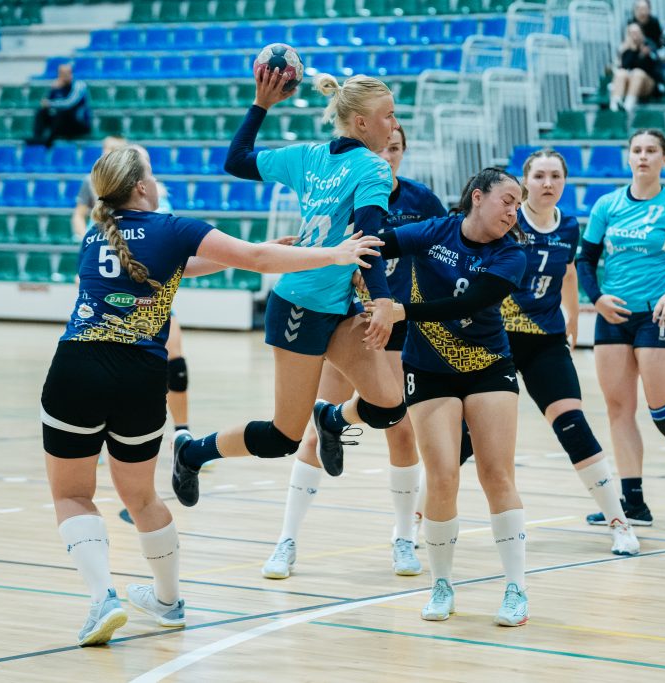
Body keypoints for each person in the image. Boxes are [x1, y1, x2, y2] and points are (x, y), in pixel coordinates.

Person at [41, 144, 383, 646]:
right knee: (142, 497)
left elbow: (177, 266)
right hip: (141, 375)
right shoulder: (174, 227)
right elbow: (256, 259)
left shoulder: (96, 233)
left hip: (79, 367)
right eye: (153, 174)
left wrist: (250, 253)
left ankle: (102, 599)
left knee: (72, 495)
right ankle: (169, 601)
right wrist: (335, 253)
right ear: (142, 187)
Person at [171, 69, 407, 507]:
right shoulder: (368, 167)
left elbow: (237, 159)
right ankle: (192, 453)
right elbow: (368, 244)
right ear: (361, 122)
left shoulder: (308, 156)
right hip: (300, 305)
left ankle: (332, 418)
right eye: (388, 115)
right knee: (283, 436)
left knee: (390, 407)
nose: (394, 124)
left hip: (338, 303)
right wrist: (382, 302)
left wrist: (262, 105)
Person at [260, 126, 448, 581]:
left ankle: (403, 536)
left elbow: (444, 252)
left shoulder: (421, 200)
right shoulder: (347, 185)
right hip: (347, 320)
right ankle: (286, 540)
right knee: (313, 429)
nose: (388, 155)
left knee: (399, 429)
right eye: (383, 147)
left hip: (396, 327)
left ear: (403, 152)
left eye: (396, 149)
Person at [366, 168, 530, 626]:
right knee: (441, 477)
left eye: (518, 205)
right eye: (507, 200)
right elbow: (374, 245)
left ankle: (516, 588)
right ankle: (441, 585)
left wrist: (401, 310)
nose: (514, 212)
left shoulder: (511, 254)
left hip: (488, 366)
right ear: (477, 197)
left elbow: (468, 303)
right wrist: (373, 289)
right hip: (428, 369)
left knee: (497, 475)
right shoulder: (435, 230)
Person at [575, 129, 665, 529]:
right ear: (628, 157)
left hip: (659, 316)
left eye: (651, 151)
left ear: (664, 159)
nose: (643, 157)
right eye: (637, 150)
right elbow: (585, 260)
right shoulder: (607, 205)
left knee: (664, 411)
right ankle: (634, 503)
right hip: (613, 316)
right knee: (619, 409)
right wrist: (597, 298)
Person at [502, 149, 640, 556]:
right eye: (539, 176)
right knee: (467, 438)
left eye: (556, 176)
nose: (548, 183)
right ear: (525, 181)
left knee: (573, 425)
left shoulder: (569, 226)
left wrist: (573, 318)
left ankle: (619, 522)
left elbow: (567, 271)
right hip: (497, 340)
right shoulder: (508, 221)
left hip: (545, 340)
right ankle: (414, 523)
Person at [72, 135, 191, 435]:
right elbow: (82, 221)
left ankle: (182, 432)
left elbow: (172, 247)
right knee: (103, 364)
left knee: (175, 363)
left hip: (150, 294)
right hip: (110, 293)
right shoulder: (100, 201)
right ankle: (97, 430)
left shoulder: (158, 196)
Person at [27, 62, 92, 148]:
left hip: (78, 124)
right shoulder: (56, 86)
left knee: (62, 113)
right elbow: (45, 103)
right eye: (61, 73)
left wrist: (50, 104)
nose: (63, 76)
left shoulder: (79, 85)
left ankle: (48, 141)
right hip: (62, 124)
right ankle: (37, 138)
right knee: (42, 112)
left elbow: (69, 103)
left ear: (71, 73)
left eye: (66, 73)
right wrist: (52, 90)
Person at [611, 22, 665, 112]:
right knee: (620, 73)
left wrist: (643, 53)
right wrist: (629, 51)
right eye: (631, 33)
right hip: (630, 83)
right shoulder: (626, 48)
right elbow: (624, 67)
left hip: (649, 84)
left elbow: (651, 67)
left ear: (642, 33)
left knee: (637, 73)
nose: (634, 36)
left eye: (636, 32)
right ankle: (614, 107)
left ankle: (628, 106)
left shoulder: (649, 45)